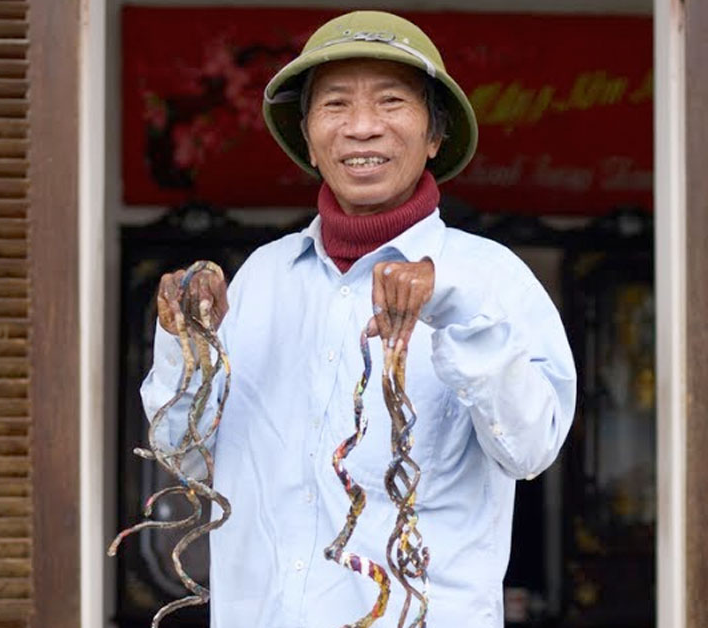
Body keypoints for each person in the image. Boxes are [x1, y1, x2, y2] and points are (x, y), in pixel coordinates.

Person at [140, 10, 576, 627]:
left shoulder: (492, 279)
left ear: (434, 135)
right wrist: (187, 343)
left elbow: (529, 449)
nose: (362, 128)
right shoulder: (263, 278)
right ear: (309, 136)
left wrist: (451, 305)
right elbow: (182, 457)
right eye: (336, 105)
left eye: (392, 102)